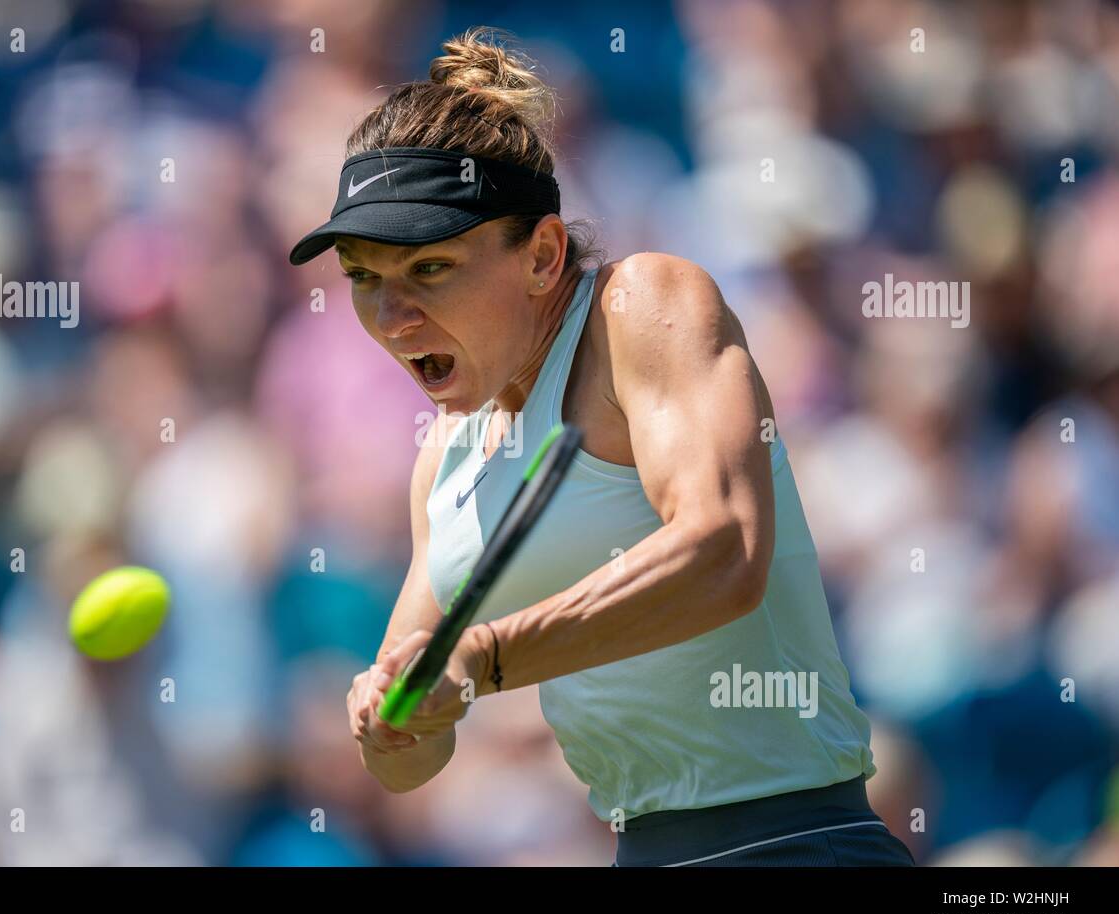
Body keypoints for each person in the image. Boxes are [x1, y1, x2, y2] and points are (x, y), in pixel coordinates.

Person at [294, 27, 914, 867]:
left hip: (798, 847)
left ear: (544, 255)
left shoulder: (644, 304)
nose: (393, 317)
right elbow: (413, 760)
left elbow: (724, 552)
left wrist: (481, 658)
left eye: (430, 270)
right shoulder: (443, 458)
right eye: (365, 278)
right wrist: (392, 717)